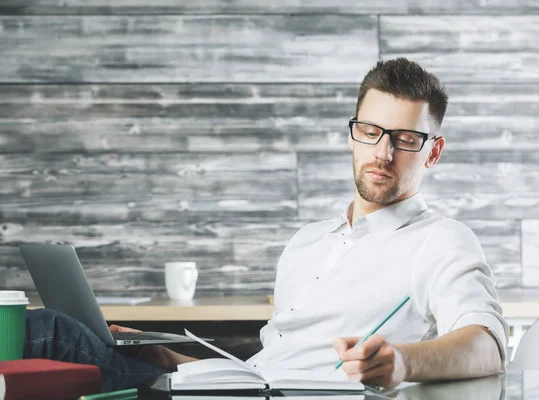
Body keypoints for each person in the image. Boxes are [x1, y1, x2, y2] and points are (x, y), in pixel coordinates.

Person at [24, 57, 508, 389]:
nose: (382, 153)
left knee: (52, 335)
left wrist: (401, 362)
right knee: (64, 340)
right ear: (353, 135)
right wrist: (174, 360)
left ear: (434, 152)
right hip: (244, 392)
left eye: (404, 139)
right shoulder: (307, 242)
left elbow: (487, 347)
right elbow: (264, 373)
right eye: (371, 132)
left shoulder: (441, 240)